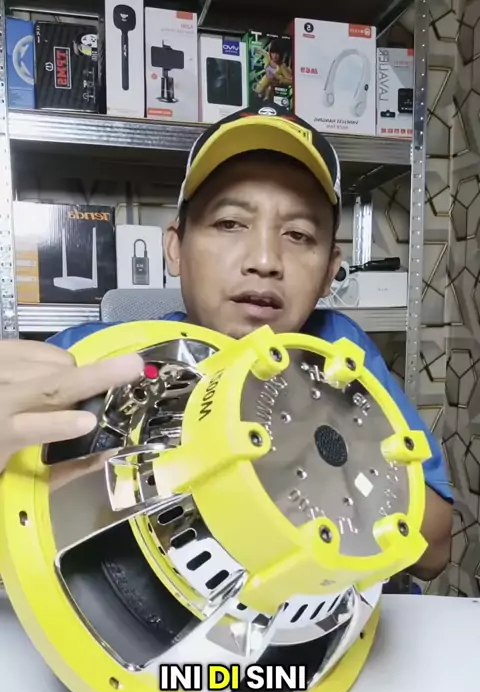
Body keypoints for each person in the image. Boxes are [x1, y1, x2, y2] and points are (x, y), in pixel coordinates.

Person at [0, 106, 453, 580]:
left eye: (298, 234)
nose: (264, 259)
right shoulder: (90, 358)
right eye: (230, 224)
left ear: (328, 272)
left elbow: (435, 550)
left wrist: (313, 433)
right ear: (175, 248)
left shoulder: (339, 353)